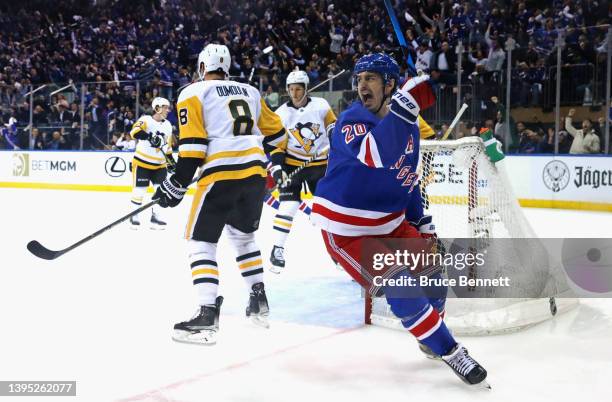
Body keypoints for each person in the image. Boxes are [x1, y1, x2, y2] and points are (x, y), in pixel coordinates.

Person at [310, 53, 488, 387]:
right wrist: (406, 105)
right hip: (348, 231)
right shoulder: (352, 120)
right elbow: (377, 155)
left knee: (434, 269)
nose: (362, 85)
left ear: (390, 84)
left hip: (391, 222)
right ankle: (452, 351)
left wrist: (422, 222)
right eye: (359, 79)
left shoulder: (409, 128)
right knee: (401, 283)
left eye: (371, 78)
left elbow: (406, 178)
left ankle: (430, 336)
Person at [152, 44, 288, 345]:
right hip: (255, 174)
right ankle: (258, 302)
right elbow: (278, 135)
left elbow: (193, 149)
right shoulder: (250, 92)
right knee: (243, 238)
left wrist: (175, 185)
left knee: (201, 242)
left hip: (220, 174)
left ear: (202, 68)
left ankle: (206, 314)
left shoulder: (192, 92)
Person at [268, 70, 337, 273]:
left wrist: (334, 136)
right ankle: (277, 249)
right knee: (288, 206)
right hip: (292, 164)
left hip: (319, 166)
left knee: (328, 209)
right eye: (291, 89)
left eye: (298, 89)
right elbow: (278, 145)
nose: (295, 93)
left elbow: (333, 125)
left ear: (306, 89)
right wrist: (278, 167)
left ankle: (338, 252)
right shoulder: (281, 113)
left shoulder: (321, 106)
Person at [128, 97, 175, 229]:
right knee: (140, 191)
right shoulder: (146, 120)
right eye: (165, 107)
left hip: (160, 165)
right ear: (157, 108)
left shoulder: (167, 125)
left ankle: (155, 218)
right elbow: (134, 132)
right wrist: (150, 137)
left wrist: (171, 163)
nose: (168, 110)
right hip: (142, 163)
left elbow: (168, 147)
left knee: (160, 192)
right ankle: (134, 215)